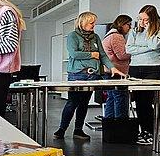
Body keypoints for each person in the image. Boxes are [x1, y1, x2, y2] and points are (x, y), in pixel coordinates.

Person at [53, 12, 125, 140]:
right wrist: (91, 54)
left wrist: (113, 68)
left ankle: (78, 130)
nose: (93, 25)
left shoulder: (95, 37)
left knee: (84, 104)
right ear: (83, 23)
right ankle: (61, 130)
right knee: (72, 103)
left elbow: (102, 55)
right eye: (91, 23)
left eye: (94, 23)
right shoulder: (73, 36)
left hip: (93, 76)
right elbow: (74, 54)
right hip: (77, 75)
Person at [126, 5, 160, 145]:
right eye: (140, 19)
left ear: (152, 19)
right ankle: (144, 131)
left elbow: (154, 45)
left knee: (147, 102)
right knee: (139, 102)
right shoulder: (134, 31)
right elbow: (128, 49)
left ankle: (151, 133)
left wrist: (148, 30)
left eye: (145, 20)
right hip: (135, 68)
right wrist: (146, 48)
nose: (142, 22)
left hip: (152, 69)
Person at [102, 15, 132, 119]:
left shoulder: (108, 35)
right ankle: (121, 125)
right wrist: (135, 52)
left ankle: (110, 124)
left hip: (109, 71)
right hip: (117, 72)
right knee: (120, 98)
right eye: (128, 24)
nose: (129, 27)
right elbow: (122, 55)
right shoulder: (116, 36)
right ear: (121, 24)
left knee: (111, 98)